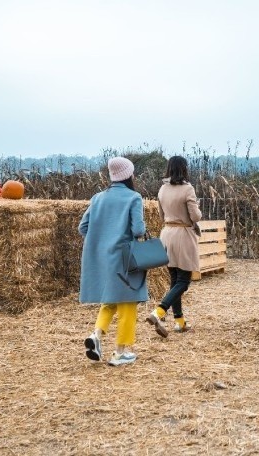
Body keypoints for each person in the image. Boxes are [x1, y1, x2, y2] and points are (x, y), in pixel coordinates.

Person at [78, 156, 147, 366]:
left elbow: (83, 228)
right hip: (124, 257)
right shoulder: (134, 198)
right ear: (128, 175)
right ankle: (120, 352)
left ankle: (97, 335)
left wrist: (102, 238)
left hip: (103, 258)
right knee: (128, 302)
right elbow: (138, 230)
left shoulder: (97, 198)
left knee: (110, 300)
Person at [146, 155, 202, 337]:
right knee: (184, 282)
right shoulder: (188, 189)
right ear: (184, 169)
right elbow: (196, 217)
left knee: (174, 279)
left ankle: (179, 322)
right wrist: (197, 208)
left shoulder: (162, 189)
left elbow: (162, 217)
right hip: (183, 235)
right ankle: (159, 311)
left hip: (167, 234)